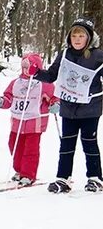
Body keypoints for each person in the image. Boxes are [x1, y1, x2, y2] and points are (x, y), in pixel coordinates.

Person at [29, 17, 103, 193]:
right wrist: (37, 73)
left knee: (89, 142)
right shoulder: (64, 54)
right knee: (66, 144)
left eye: (81, 36)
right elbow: (52, 75)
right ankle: (63, 178)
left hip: (90, 108)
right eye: (74, 36)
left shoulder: (98, 56)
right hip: (68, 108)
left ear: (89, 38)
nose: (77, 39)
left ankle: (95, 178)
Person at [0, 53, 59, 187]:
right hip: (17, 123)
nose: (26, 70)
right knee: (14, 146)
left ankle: (28, 174)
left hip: (35, 122)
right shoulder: (16, 83)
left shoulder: (44, 84)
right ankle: (20, 170)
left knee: (30, 150)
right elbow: (8, 98)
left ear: (36, 67)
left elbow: (54, 97)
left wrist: (54, 104)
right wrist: (0, 102)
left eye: (29, 67)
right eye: (24, 67)